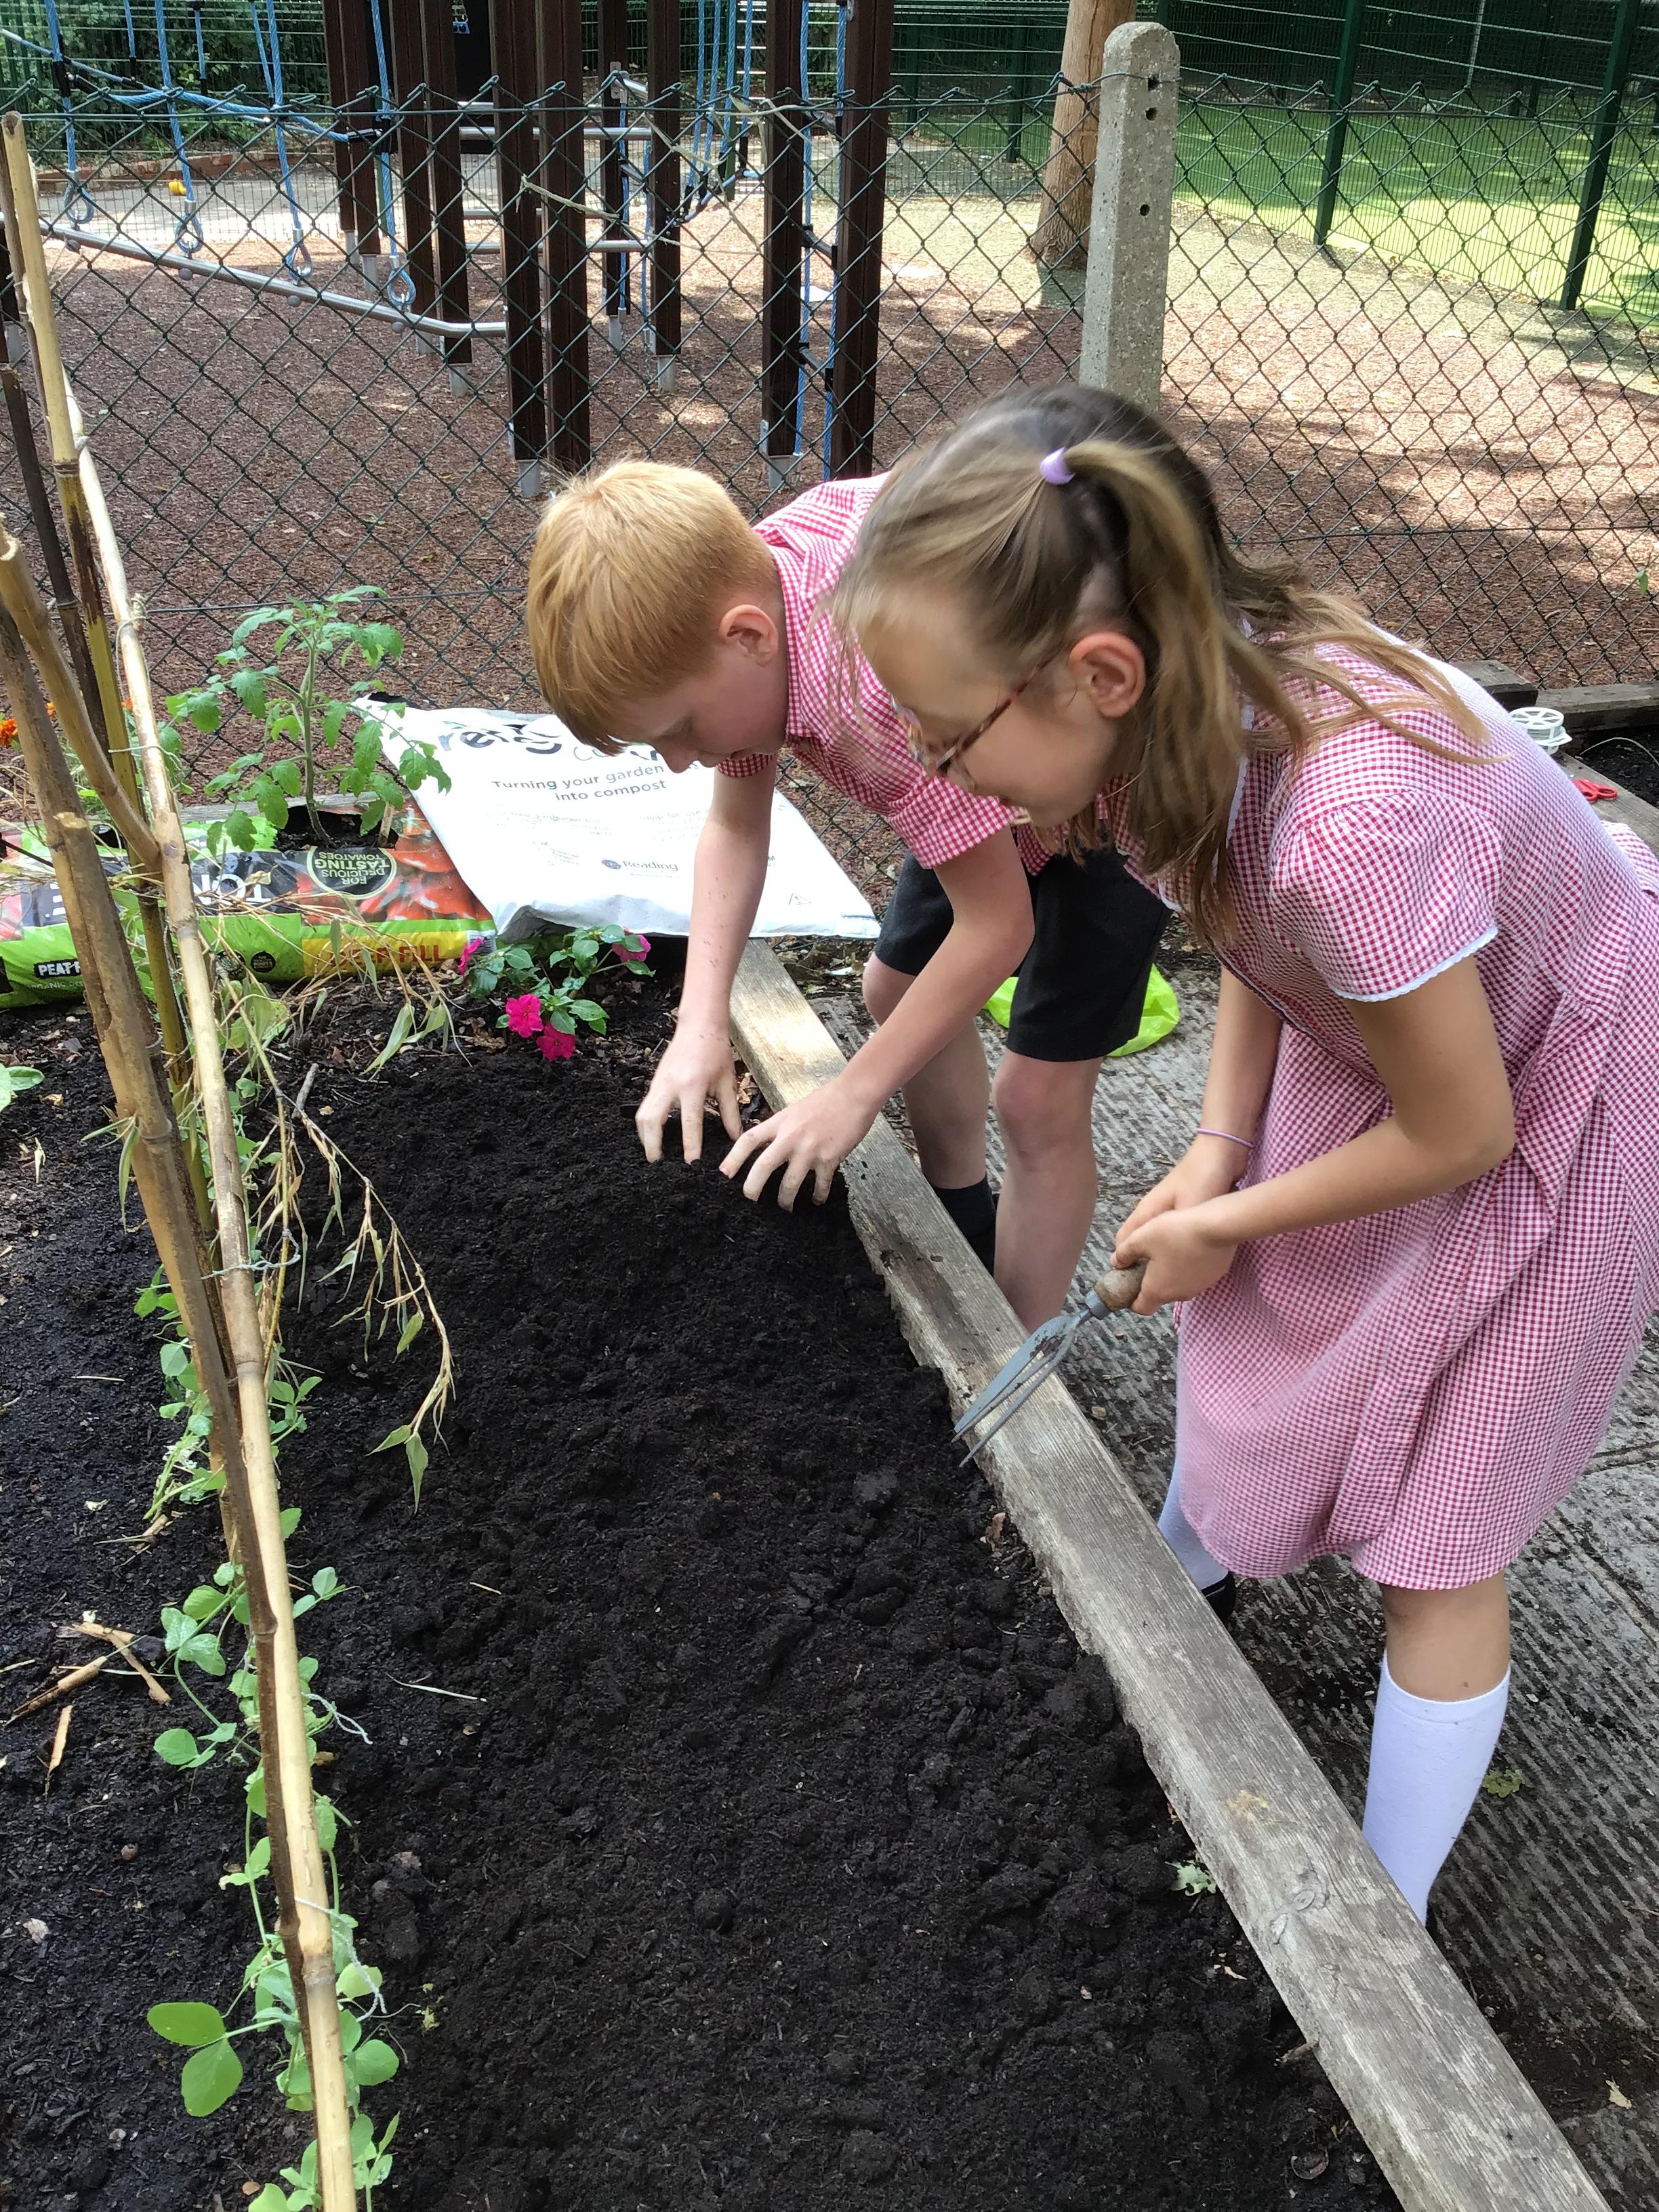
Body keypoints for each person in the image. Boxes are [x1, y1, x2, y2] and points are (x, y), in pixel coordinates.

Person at [830, 380, 1659, 1924]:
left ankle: (1385, 1918)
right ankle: (1177, 1586)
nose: (942, 779)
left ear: (1095, 671)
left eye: (952, 737)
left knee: (1440, 1528)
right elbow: (1255, 940)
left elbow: (1462, 1127)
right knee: (1258, 1324)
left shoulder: (1354, 821)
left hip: (1558, 1084)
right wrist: (1219, 1149)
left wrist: (1237, 1212)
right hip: (1398, 1031)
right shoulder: (1166, 740)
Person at [525, 459, 1167, 1328]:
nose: (678, 761)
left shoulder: (874, 694)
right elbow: (735, 829)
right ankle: (965, 1223)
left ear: (748, 638)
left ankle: (1016, 1349)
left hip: (1102, 773)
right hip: (975, 759)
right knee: (895, 988)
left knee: (1037, 1098)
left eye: (680, 729)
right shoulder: (746, 607)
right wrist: (701, 1023)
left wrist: (851, 1096)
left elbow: (995, 926)